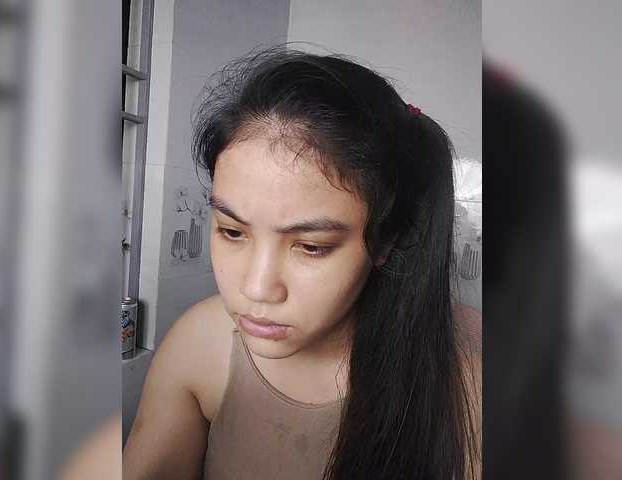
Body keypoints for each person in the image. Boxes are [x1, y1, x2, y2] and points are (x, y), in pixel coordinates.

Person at [123, 47, 480, 480]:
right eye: (232, 232)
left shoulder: (471, 371)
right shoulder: (200, 344)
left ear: (385, 241)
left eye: (311, 247)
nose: (256, 288)